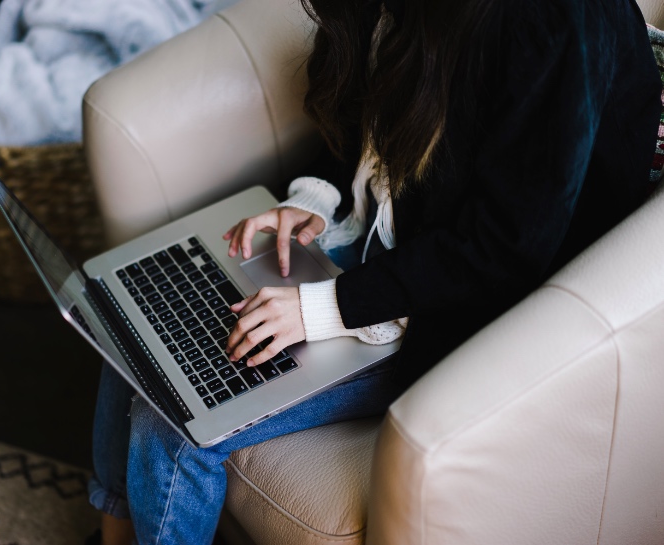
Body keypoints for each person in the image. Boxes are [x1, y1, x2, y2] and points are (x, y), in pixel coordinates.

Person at [86, 0, 662, 543]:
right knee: (130, 315)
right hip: (373, 248)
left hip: (455, 310)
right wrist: (314, 200)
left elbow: (505, 248)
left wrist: (323, 308)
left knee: (177, 421)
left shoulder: (556, 22)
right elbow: (381, 115)